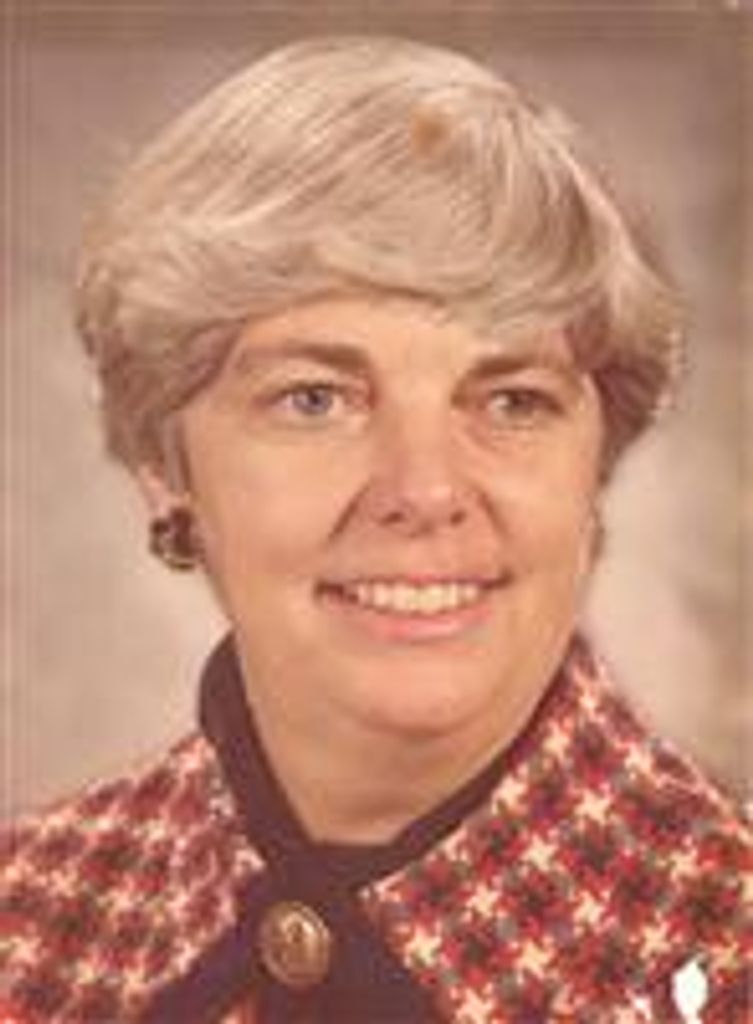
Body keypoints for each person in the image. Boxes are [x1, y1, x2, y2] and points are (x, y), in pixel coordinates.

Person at [1, 35, 748, 1024]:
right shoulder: (25, 922)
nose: (424, 490)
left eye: (513, 400)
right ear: (162, 467)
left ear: (594, 463)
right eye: (314, 398)